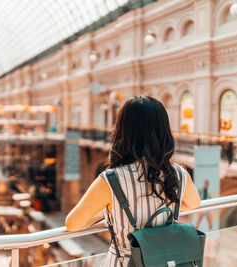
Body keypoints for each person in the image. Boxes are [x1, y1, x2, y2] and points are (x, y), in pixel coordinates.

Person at [65, 96, 201, 266]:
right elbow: (194, 203)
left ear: (122, 132)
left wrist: (112, 212)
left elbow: (72, 224)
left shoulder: (110, 180)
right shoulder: (179, 174)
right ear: (164, 131)